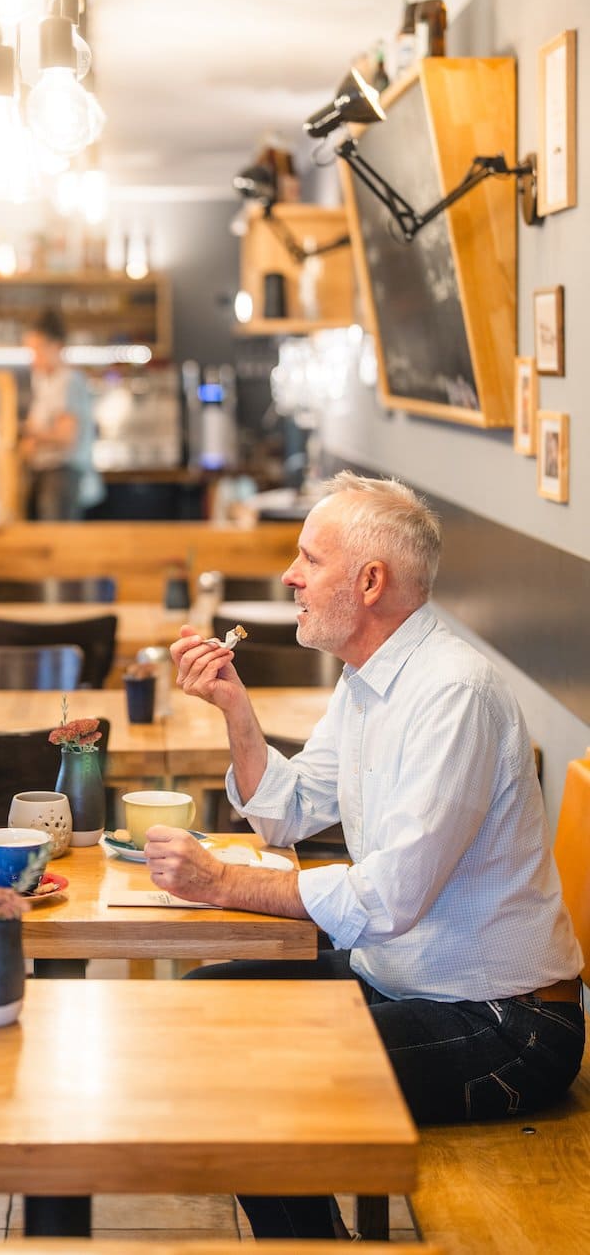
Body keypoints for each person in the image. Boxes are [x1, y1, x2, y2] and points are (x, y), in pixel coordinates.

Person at [146, 471, 584, 1242]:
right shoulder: (367, 679)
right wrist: (236, 710)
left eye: (309, 559)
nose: (290, 576)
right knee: (200, 1008)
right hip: (398, 980)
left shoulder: (454, 694)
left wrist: (220, 881)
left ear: (369, 581)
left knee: (261, 1087)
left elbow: (388, 900)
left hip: (505, 1025)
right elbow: (288, 810)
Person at [20, 307, 102, 520]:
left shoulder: (69, 381)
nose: (33, 358)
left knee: (59, 545)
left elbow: (66, 436)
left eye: (36, 350)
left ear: (55, 346)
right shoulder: (43, 380)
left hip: (63, 477)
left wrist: (29, 434)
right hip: (46, 474)